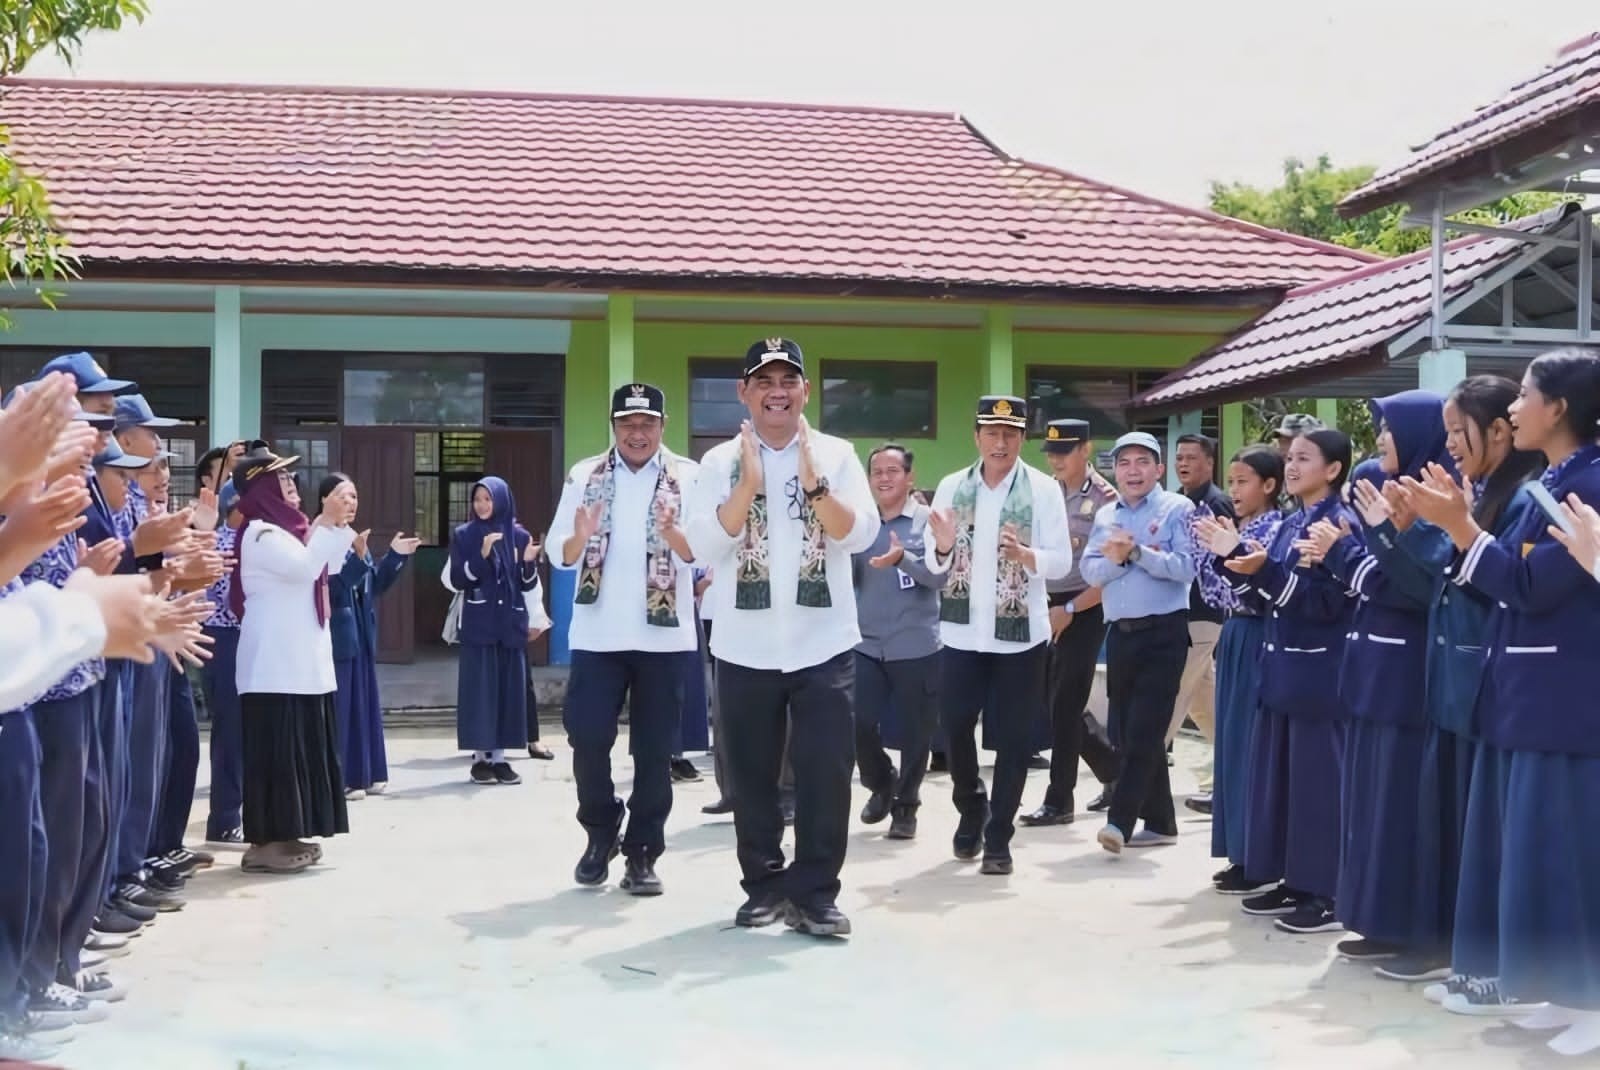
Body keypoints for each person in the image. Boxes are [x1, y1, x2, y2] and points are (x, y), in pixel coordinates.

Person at [1401, 349, 1600, 1048]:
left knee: (1570, 853)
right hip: (1530, 695)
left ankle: (1592, 1002)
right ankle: (1563, 994)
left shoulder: (1592, 483)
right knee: (1538, 852)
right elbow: (1508, 576)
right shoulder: (1554, 479)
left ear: (1560, 409)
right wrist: (1469, 535)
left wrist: (1462, 530)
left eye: (1525, 396)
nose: (1514, 409)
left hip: (1568, 700)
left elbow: (1534, 586)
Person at [684, 337, 878, 937]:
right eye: (763, 380)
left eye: (787, 380)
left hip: (823, 645)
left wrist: (815, 485)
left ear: (805, 392)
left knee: (825, 773)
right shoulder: (718, 464)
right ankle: (764, 886)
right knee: (752, 774)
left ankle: (816, 892)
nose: (777, 391)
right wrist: (746, 486)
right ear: (744, 393)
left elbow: (860, 535)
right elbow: (702, 545)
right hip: (744, 646)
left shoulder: (838, 455)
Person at [1295, 392, 1456, 969]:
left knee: (1403, 809)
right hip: (1373, 673)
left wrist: (1349, 551)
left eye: (1389, 430)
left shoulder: (1436, 501)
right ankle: (1380, 921)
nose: (1380, 438)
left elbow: (1414, 587)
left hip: (1408, 675)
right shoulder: (1390, 492)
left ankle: (1418, 933)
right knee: (1372, 808)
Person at [547, 383, 698, 894]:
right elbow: (558, 554)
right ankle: (600, 827)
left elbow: (704, 551)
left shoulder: (690, 477)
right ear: (613, 426)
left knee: (654, 752)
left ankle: (642, 852)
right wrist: (581, 534)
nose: (638, 434)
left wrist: (676, 533)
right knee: (587, 736)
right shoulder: (585, 475)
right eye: (627, 424)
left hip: (665, 638)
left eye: (647, 424)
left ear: (663, 425)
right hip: (598, 634)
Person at [925, 396, 1069, 874]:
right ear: (977, 437)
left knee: (1013, 738)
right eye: (992, 432)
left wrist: (1031, 558)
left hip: (1020, 635)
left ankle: (998, 835)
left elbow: (1063, 562)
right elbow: (933, 563)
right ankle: (971, 806)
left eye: (1010, 434)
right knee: (955, 726)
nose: (1001, 442)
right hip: (962, 634)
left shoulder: (1044, 490)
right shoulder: (951, 486)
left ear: (1021, 438)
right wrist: (944, 545)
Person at [1224, 429, 1359, 935]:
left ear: (1333, 470)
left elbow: (1326, 603)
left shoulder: (1338, 524)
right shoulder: (1289, 524)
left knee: (1319, 788)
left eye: (1305, 458)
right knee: (1286, 784)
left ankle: (1326, 892)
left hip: (1320, 672)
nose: (1293, 464)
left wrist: (1268, 575)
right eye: (1291, 457)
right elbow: (1266, 595)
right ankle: (1295, 878)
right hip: (1283, 669)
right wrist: (1236, 559)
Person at [230, 445, 357, 874]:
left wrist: (332, 526)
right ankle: (266, 841)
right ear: (261, 488)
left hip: (299, 662)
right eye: (280, 480)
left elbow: (329, 566)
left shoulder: (289, 530)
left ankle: (290, 832)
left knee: (299, 751)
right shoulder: (261, 533)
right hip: (273, 665)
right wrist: (326, 526)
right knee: (276, 755)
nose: (291, 485)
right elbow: (305, 568)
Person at [1080, 431, 1195, 855]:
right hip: (1121, 635)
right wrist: (1116, 559)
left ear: (1158, 470)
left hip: (1164, 632)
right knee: (1126, 733)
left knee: (1147, 730)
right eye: (1124, 462)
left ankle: (1120, 821)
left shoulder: (1176, 508)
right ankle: (1162, 821)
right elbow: (1090, 572)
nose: (1133, 470)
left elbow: (1186, 567)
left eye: (1142, 462)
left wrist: (1138, 555)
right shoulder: (1106, 514)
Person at [1192, 446, 1284, 893]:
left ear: (1269, 485)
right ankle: (1238, 850)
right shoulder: (1241, 528)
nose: (1235, 490)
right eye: (1231, 482)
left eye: (1243, 481)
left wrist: (1231, 552)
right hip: (1234, 635)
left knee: (1250, 744)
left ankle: (1257, 854)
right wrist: (1213, 551)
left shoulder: (1274, 529)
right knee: (1230, 743)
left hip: (1258, 635)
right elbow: (1213, 593)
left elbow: (1253, 593)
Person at [1020, 419, 1118, 827]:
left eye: (1065, 451)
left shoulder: (1106, 499)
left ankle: (1059, 800)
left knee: (1064, 705)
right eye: (1051, 452)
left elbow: (1108, 571)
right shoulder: (1044, 492)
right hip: (1045, 605)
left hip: (1087, 606)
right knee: (1055, 701)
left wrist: (1071, 610)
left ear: (1086, 450)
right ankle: (1118, 773)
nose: (1056, 459)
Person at [851, 443, 942, 841]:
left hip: (916, 643)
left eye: (893, 470)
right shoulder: (860, 523)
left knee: (915, 732)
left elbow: (939, 577)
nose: (884, 478)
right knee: (855, 721)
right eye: (877, 471)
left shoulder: (927, 520)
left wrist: (903, 557)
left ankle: (907, 805)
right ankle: (881, 782)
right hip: (865, 643)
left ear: (910, 477)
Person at [315, 474, 419, 800]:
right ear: (324, 499)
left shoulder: (350, 536)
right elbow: (328, 592)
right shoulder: (317, 536)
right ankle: (342, 777)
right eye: (343, 496)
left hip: (360, 632)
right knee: (342, 706)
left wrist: (395, 556)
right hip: (338, 634)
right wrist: (357, 560)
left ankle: (367, 772)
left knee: (363, 704)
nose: (350, 503)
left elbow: (373, 585)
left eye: (354, 497)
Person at [449, 476, 542, 786]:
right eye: (477, 500)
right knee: (480, 692)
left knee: (507, 691)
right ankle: (479, 759)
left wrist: (528, 563)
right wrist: (483, 556)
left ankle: (500, 759)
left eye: (488, 500)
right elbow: (460, 579)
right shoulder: (464, 535)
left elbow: (526, 583)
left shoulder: (518, 536)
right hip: (479, 625)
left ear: (501, 501)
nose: (482, 505)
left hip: (509, 623)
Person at [1170, 432, 1234, 812]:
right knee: (1202, 704)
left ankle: (1129, 783)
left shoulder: (1217, 503)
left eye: (1192, 458)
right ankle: (1236, 767)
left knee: (1172, 694)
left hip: (1204, 615)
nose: (1184, 463)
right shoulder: (1178, 502)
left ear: (1209, 463)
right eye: (1179, 457)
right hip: (1183, 613)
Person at [201, 482, 246, 842]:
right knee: (231, 730)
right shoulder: (221, 543)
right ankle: (225, 816)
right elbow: (231, 600)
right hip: (225, 640)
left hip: (245, 639)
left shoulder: (254, 539)